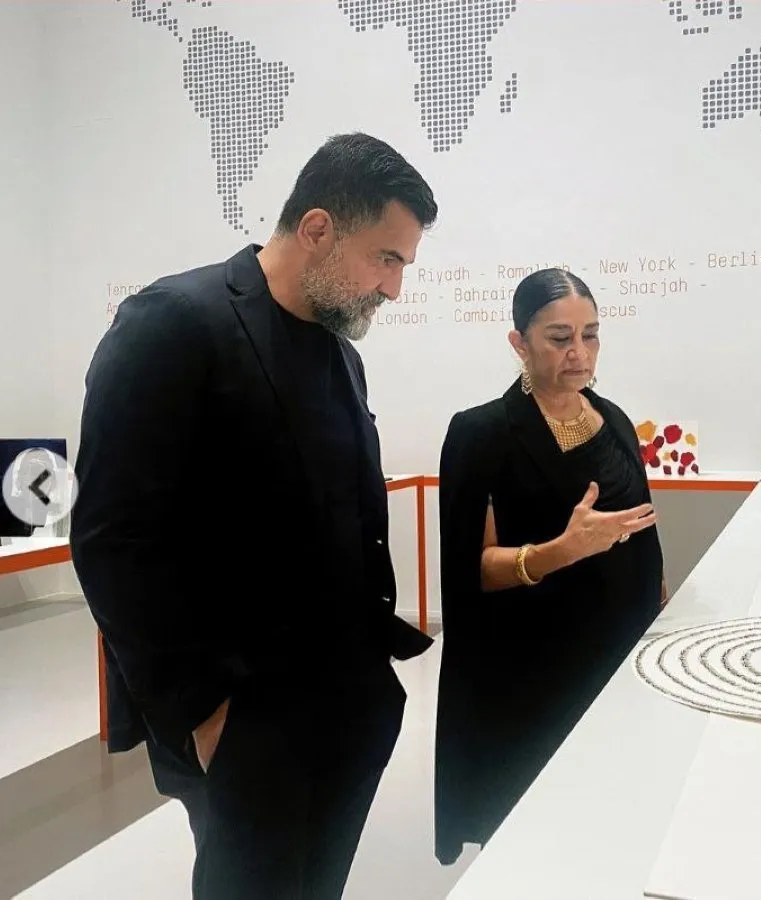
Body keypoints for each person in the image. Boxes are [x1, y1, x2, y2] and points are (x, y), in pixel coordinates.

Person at [69, 132, 438, 899]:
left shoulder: (341, 354)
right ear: (317, 228)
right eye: (387, 258)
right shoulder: (173, 323)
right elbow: (113, 538)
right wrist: (202, 712)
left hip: (348, 702)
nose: (395, 288)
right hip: (241, 714)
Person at [433, 267, 669, 864]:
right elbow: (472, 571)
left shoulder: (614, 419)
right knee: (535, 832)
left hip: (619, 655)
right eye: (560, 338)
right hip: (533, 670)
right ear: (519, 342)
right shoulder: (481, 434)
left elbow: (639, 527)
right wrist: (560, 551)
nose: (579, 353)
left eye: (591, 335)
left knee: (611, 817)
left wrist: (658, 602)